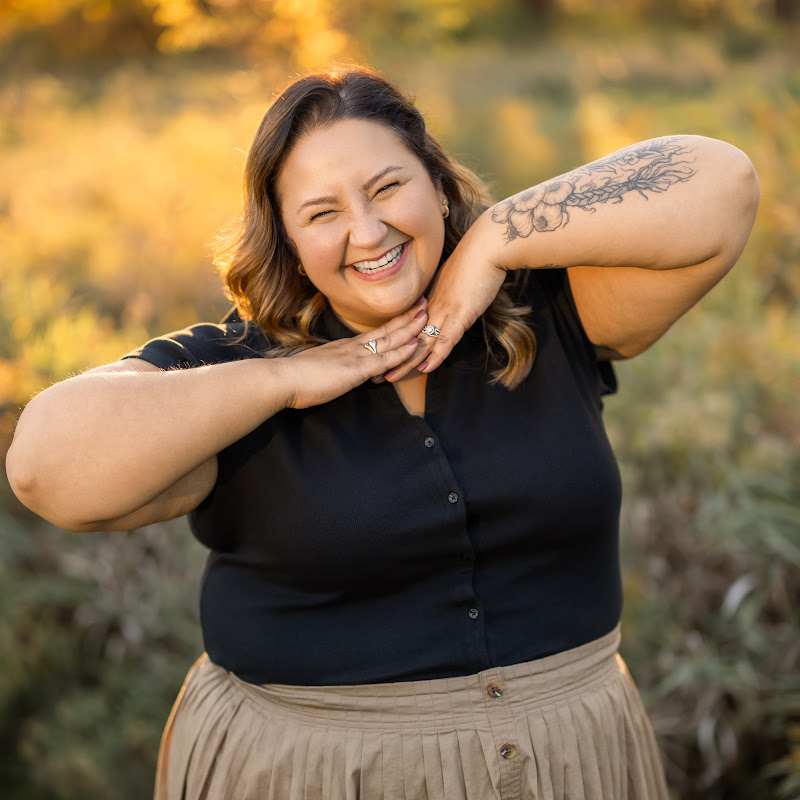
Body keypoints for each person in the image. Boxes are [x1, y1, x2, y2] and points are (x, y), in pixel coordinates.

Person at [6, 65, 758, 800]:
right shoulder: (233, 371)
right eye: (321, 212)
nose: (367, 231)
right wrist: (288, 380)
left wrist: (495, 236)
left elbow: (722, 181)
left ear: (436, 181)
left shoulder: (546, 310)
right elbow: (45, 468)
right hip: (311, 773)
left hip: (575, 759)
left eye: (387, 186)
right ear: (288, 242)